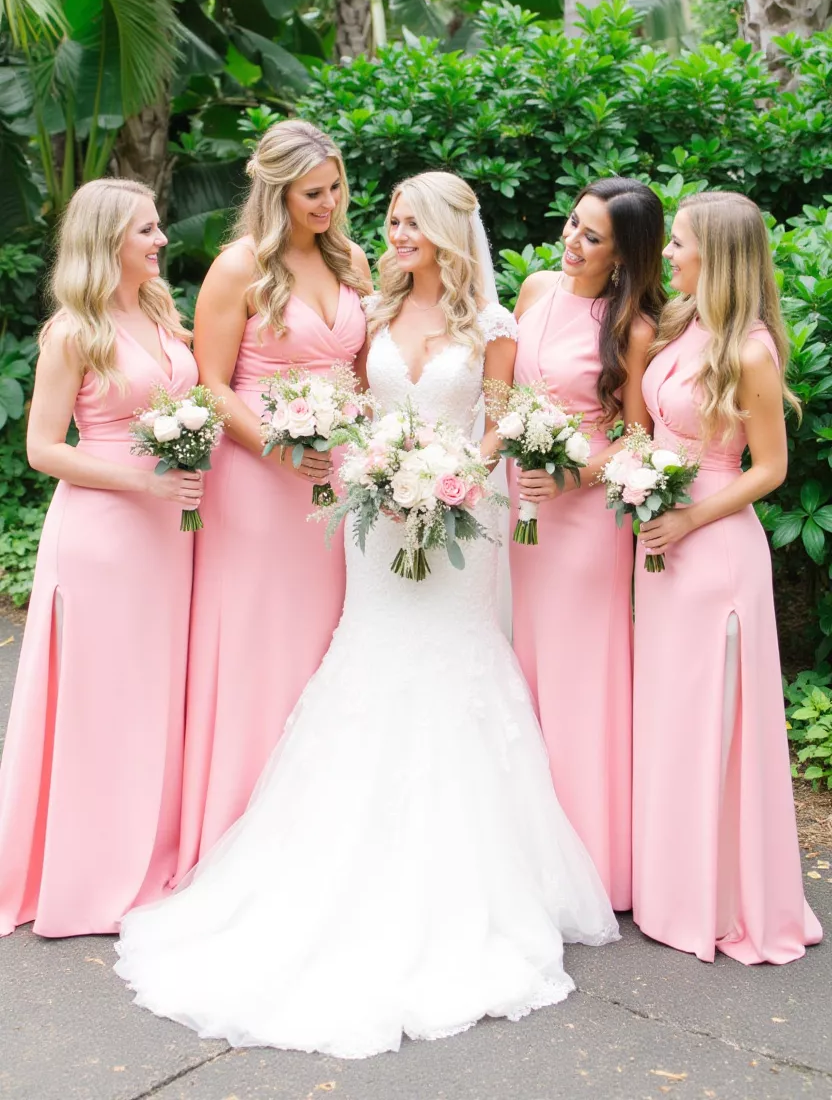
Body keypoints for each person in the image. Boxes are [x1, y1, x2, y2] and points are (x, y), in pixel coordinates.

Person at [115, 171, 618, 1058]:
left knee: (456, 665)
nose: (393, 233)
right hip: (374, 522)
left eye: (410, 222)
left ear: (450, 233)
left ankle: (465, 880)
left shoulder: (491, 328)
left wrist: (453, 468)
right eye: (388, 218)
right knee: (370, 661)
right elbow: (353, 404)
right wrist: (379, 465)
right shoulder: (373, 315)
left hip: (463, 517)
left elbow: (500, 422)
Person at [0, 179, 201, 937]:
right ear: (107, 239)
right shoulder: (73, 331)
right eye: (146, 231)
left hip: (167, 536)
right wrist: (140, 480)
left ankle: (147, 849)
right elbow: (43, 447)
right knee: (101, 701)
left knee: (154, 695)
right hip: (104, 536)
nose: (160, 240)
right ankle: (86, 873)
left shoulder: (157, 312)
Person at [175, 120, 371, 876]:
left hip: (340, 476)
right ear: (277, 190)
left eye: (336, 188)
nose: (330, 203)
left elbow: (361, 365)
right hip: (260, 479)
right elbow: (213, 384)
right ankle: (237, 828)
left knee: (330, 638)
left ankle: (317, 821)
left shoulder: (350, 260)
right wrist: (279, 450)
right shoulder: (238, 270)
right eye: (313, 193)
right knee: (262, 642)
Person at [632, 191, 822, 963]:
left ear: (715, 254)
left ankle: (721, 898)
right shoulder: (686, 328)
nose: (669, 255)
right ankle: (671, 885)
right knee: (672, 718)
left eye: (678, 243)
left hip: (713, 548)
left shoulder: (749, 350)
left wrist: (687, 517)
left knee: (714, 717)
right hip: (663, 544)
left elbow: (769, 469)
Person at [509, 177, 665, 910]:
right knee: (521, 667)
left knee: (580, 678)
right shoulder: (536, 290)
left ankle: (593, 861)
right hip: (518, 506)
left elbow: (639, 434)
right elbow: (504, 397)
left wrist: (571, 475)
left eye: (592, 236)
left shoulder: (631, 327)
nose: (572, 242)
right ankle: (523, 844)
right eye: (573, 224)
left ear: (623, 252)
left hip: (584, 516)